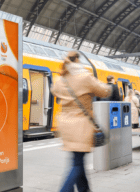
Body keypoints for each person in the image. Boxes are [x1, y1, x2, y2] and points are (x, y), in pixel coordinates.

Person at [51, 51, 111, 192]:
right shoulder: (85, 77)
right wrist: (107, 85)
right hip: (81, 125)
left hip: (65, 124)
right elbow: (104, 91)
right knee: (77, 165)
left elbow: (54, 90)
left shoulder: (61, 80)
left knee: (78, 161)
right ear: (77, 60)